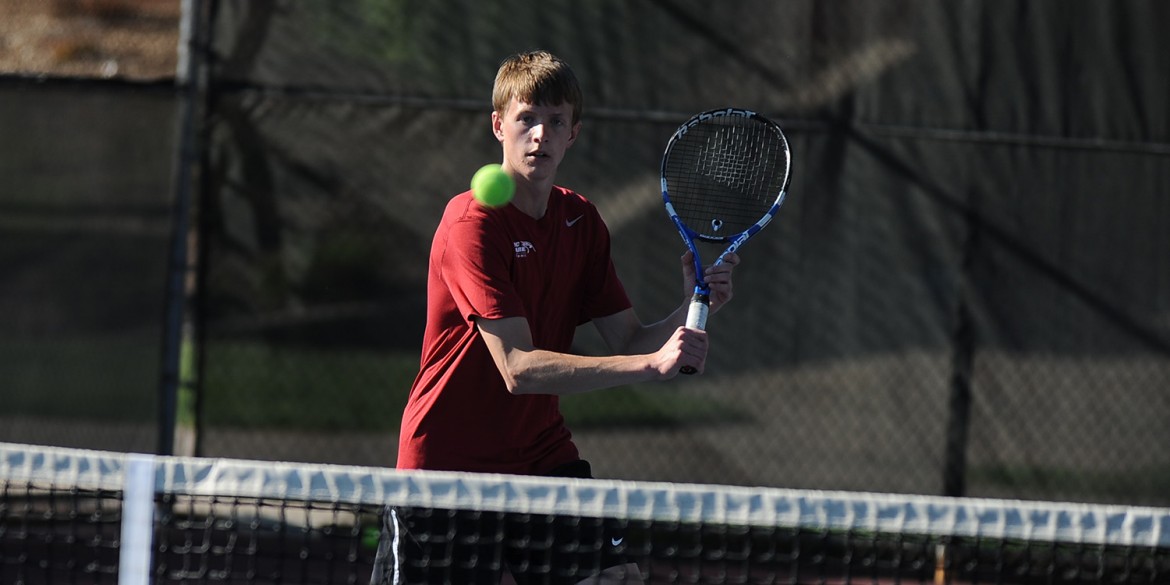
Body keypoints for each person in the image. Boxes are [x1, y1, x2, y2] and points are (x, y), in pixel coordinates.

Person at [372, 49, 739, 585]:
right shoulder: (471, 225)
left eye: (556, 120)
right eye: (527, 118)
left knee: (616, 577)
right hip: (447, 469)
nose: (540, 133)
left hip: (538, 454)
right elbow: (518, 368)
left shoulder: (580, 222)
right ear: (499, 126)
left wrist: (692, 307)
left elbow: (630, 338)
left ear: (574, 134)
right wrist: (651, 366)